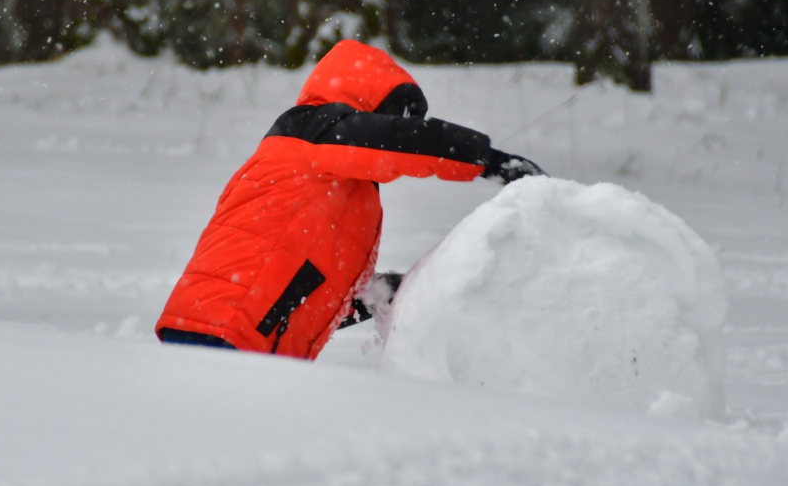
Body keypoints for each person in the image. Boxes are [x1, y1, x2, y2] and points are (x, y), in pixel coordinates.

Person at [155, 39, 544, 358]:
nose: (402, 125)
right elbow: (409, 143)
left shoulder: (315, 172)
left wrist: (382, 294)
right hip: (226, 334)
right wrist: (489, 160)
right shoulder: (316, 128)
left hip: (224, 336)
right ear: (372, 104)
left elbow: (304, 287)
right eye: (398, 115)